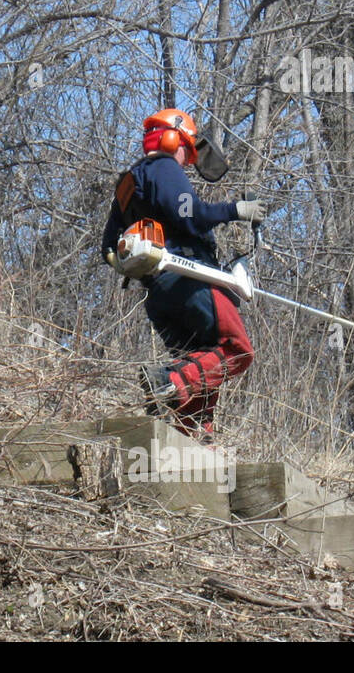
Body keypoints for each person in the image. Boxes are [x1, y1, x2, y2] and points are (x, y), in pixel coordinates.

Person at [100, 108, 266, 446]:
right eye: (185, 150)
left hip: (158, 293)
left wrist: (139, 264)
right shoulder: (163, 167)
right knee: (236, 350)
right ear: (172, 139)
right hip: (190, 278)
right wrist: (235, 210)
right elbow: (189, 214)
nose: (186, 160)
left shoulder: (128, 184)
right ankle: (168, 382)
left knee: (201, 364)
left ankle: (191, 441)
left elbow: (108, 248)